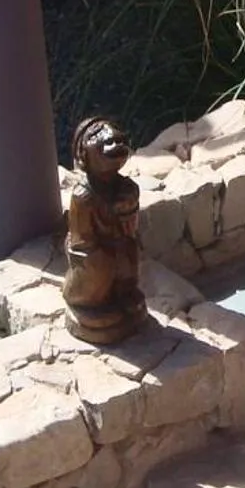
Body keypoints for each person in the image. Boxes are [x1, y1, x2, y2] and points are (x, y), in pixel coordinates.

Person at [63, 116, 149, 346]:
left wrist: (129, 208)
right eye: (95, 135)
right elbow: (81, 241)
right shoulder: (83, 196)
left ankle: (124, 293)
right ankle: (91, 304)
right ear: (83, 155)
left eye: (115, 133)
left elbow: (131, 228)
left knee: (130, 252)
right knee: (100, 266)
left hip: (119, 245)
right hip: (94, 256)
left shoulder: (127, 188)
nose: (113, 138)